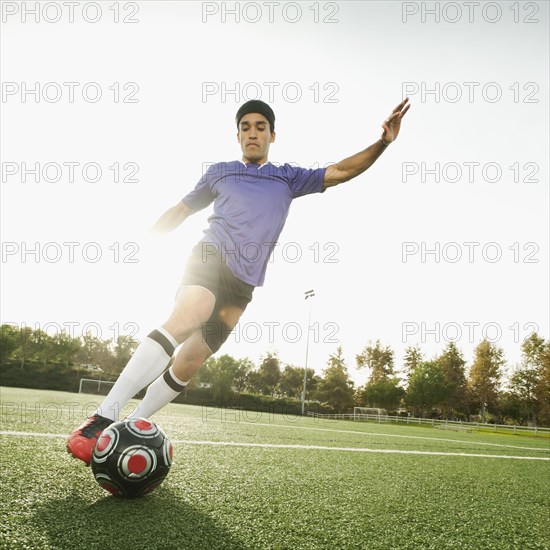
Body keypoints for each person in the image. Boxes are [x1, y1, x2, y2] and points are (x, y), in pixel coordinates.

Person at [67, 97, 411, 464]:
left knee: (192, 359)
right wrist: (144, 239)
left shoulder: (288, 177)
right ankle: (103, 417)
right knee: (193, 309)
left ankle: (131, 426)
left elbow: (342, 170)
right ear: (237, 136)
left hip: (243, 284)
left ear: (272, 136)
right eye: (245, 127)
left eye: (260, 127)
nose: (252, 133)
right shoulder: (220, 172)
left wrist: (383, 143)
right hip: (210, 256)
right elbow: (182, 209)